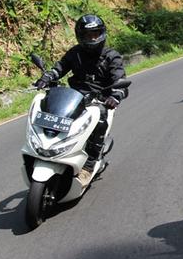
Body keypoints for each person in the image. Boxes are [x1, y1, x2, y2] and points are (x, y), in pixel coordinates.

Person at [34, 14, 128, 187]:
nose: (92, 38)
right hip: (75, 96)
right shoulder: (75, 53)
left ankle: (90, 163)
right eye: (87, 35)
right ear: (80, 36)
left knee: (100, 120)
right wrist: (47, 77)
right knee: (51, 108)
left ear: (102, 34)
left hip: (100, 99)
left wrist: (115, 95)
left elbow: (119, 79)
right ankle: (51, 148)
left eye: (95, 34)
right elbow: (60, 67)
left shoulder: (111, 56)